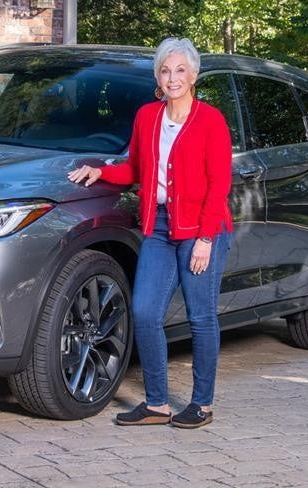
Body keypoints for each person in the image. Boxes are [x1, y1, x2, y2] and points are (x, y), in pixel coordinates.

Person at [67, 37, 233, 429]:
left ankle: (202, 404)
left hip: (201, 230)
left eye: (180, 70)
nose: (172, 77)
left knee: (201, 316)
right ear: (157, 76)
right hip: (159, 227)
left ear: (193, 75)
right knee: (144, 311)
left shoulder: (211, 120)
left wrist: (206, 240)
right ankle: (157, 404)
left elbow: (219, 185)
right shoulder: (147, 117)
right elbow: (136, 170)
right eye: (165, 70)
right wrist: (102, 171)